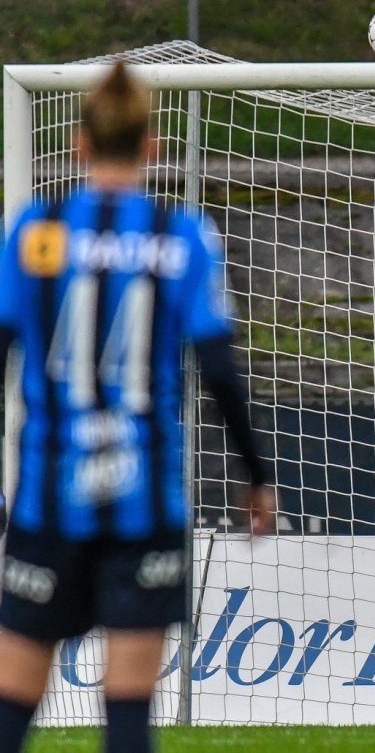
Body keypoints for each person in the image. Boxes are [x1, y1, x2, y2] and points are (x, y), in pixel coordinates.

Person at [0, 61, 275, 753]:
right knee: (127, 716)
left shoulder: (34, 232)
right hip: (144, 501)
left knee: (10, 708)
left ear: (79, 144)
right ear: (152, 146)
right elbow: (219, 371)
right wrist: (256, 475)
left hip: (47, 499)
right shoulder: (181, 235)